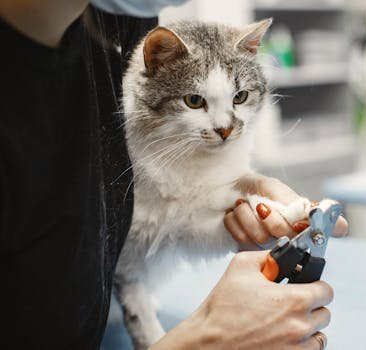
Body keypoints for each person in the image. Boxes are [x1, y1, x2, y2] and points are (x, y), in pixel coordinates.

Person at [0, 0, 348, 349]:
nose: (226, 127)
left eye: (240, 97)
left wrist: (251, 190)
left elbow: (174, 222)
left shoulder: (122, 18)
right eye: (197, 102)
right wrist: (205, 339)